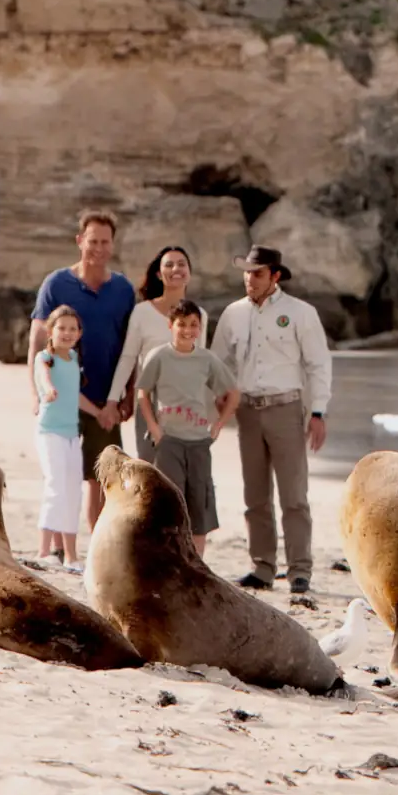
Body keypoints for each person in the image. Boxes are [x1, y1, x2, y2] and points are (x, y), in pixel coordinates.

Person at [211, 245, 332, 595]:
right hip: (247, 410)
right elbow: (218, 362)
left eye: (258, 273)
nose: (250, 279)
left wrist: (318, 412)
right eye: (247, 272)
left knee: (294, 495)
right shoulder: (233, 314)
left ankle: (299, 570)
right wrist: (219, 398)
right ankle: (262, 567)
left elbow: (318, 364)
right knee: (255, 495)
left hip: (286, 409)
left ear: (275, 276)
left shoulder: (300, 313)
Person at [28, 210, 137, 533]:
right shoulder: (56, 283)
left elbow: (130, 349)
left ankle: (97, 545)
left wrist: (128, 394)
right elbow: (36, 343)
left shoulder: (123, 290)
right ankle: (58, 547)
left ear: (113, 245)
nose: (98, 248)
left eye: (105, 242)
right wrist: (36, 393)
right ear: (80, 241)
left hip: (105, 400)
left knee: (102, 479)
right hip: (61, 398)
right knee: (62, 476)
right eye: (93, 241)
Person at [136, 298, 239, 557]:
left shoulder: (206, 359)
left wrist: (218, 425)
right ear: (170, 326)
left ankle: (196, 561)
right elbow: (143, 393)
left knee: (199, 501)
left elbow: (233, 393)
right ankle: (170, 558)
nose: (187, 330)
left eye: (193, 325)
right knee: (170, 501)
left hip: (199, 442)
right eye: (181, 324)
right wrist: (154, 428)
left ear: (200, 328)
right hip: (168, 440)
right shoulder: (159, 356)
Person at [108, 245, 208, 465]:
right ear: (159, 274)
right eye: (169, 265)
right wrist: (112, 400)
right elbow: (128, 358)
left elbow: (200, 365)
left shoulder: (200, 315)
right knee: (149, 470)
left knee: (181, 473)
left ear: (189, 273)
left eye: (181, 264)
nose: (176, 269)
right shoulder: (142, 312)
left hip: (185, 406)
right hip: (148, 404)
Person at [31, 305, 91, 572]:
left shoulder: (74, 358)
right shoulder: (45, 358)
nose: (67, 333)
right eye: (61, 328)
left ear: (79, 333)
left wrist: (100, 412)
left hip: (71, 435)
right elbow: (44, 378)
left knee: (73, 491)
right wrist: (48, 390)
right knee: (55, 487)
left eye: (72, 329)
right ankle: (44, 552)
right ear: (50, 331)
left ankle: (71, 556)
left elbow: (75, 395)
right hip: (49, 432)